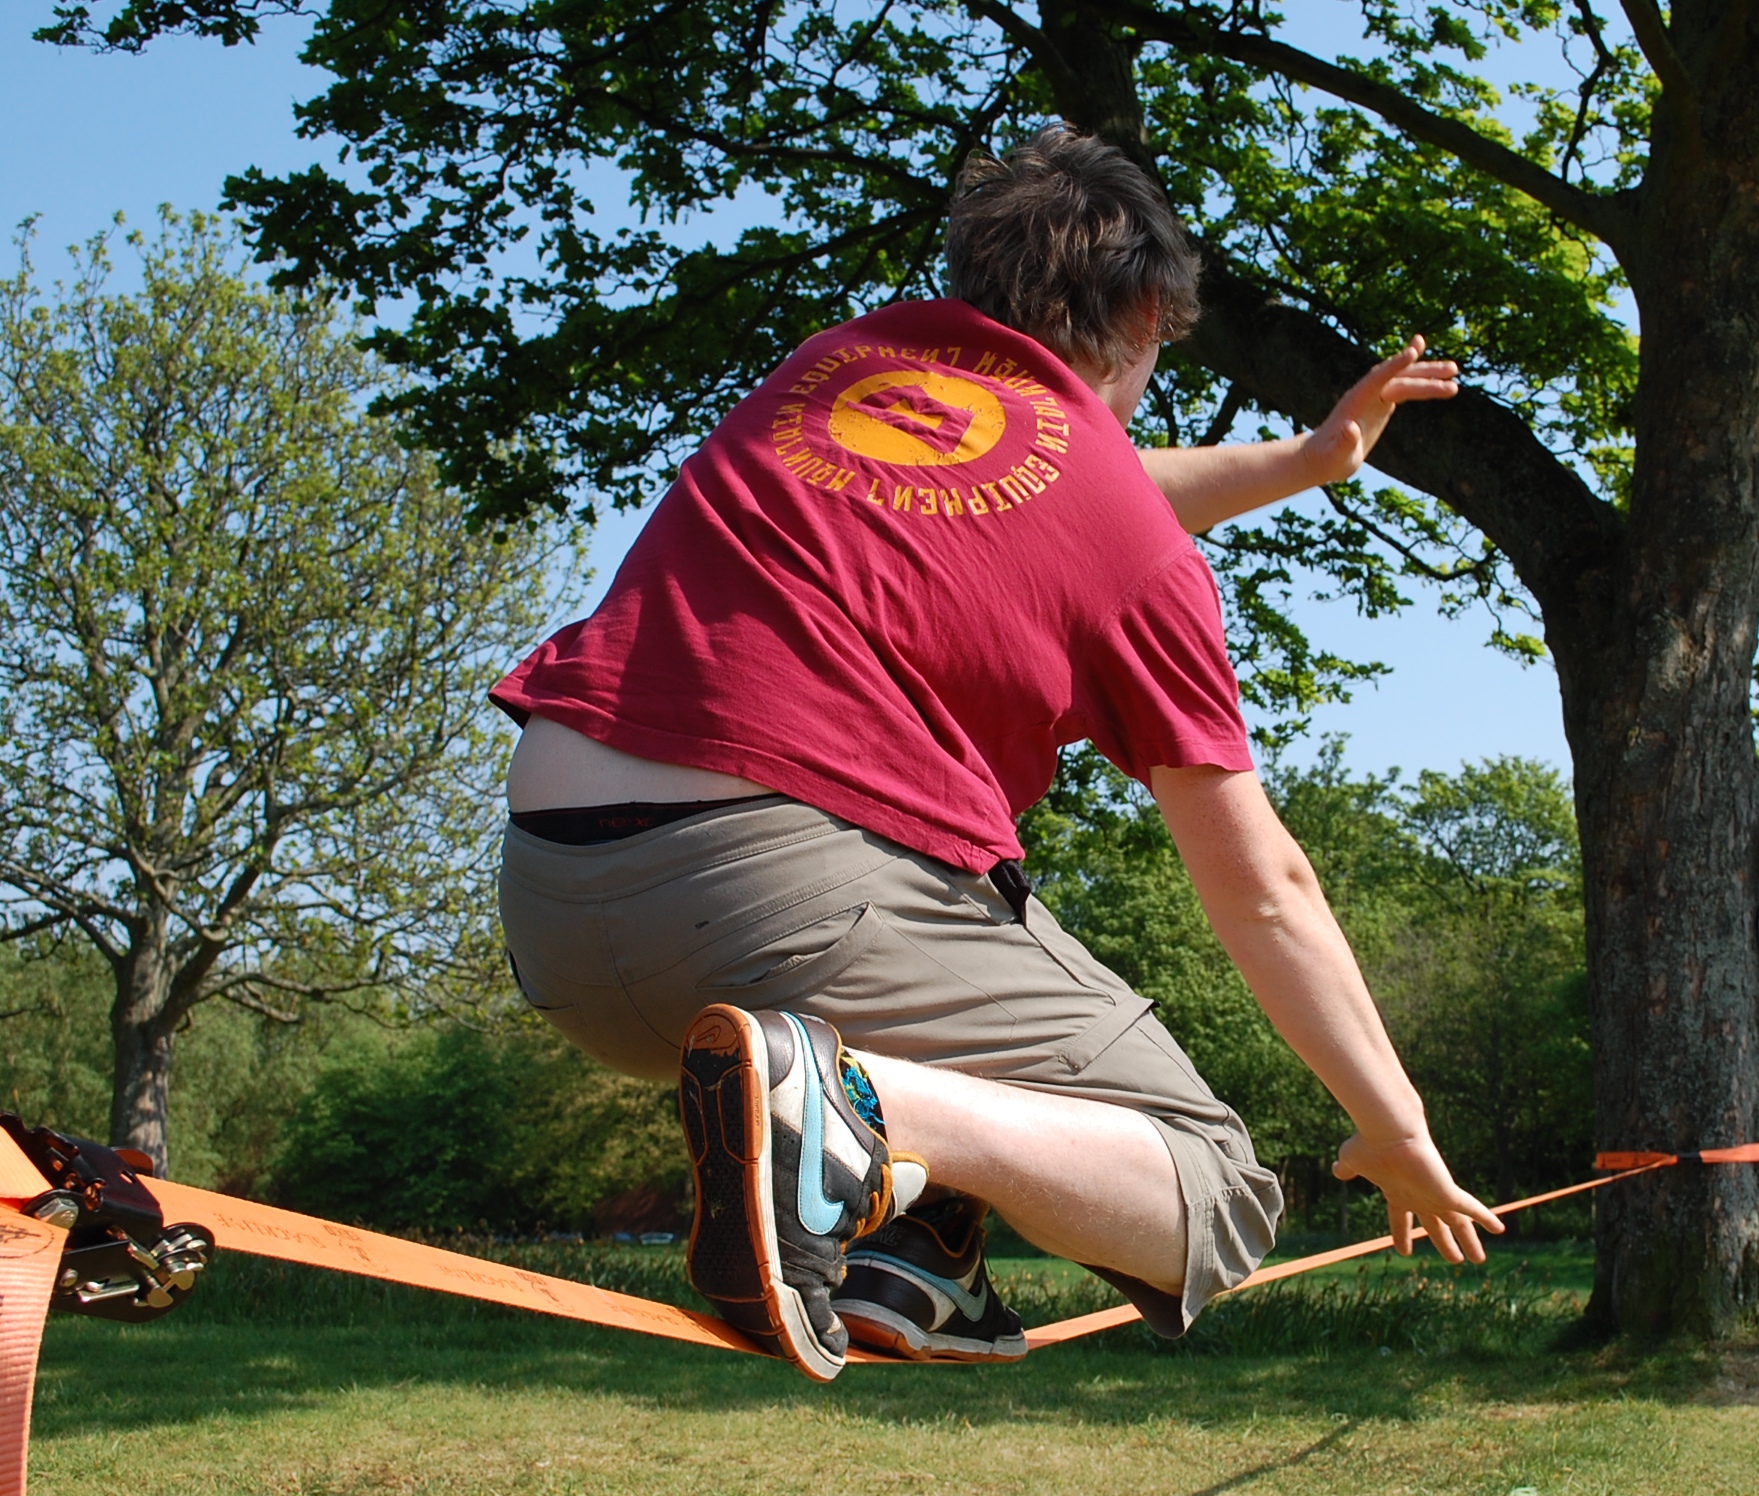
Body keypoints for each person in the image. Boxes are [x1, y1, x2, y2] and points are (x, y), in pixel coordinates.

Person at [491, 125, 1503, 1381]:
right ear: (1142, 315)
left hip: (552, 901)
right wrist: (1393, 1124)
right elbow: (1264, 887)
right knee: (1214, 1189)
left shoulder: (840, 369)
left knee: (942, 989)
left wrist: (1304, 463)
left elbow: (1066, 481)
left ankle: (901, 1240)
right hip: (774, 897)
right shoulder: (1138, 550)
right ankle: (867, 1119)